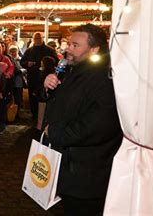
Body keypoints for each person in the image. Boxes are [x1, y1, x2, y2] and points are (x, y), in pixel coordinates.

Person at [43, 24, 123, 215]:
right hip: (69, 168)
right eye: (69, 44)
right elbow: (62, 105)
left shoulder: (104, 78)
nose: (68, 48)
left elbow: (100, 125)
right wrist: (48, 87)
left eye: (75, 45)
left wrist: (54, 132)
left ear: (94, 49)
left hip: (87, 175)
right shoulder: (73, 70)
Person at [20, 32, 58, 120]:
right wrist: (27, 64)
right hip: (32, 77)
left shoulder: (50, 50)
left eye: (38, 38)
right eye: (35, 38)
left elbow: (56, 61)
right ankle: (34, 115)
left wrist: (46, 64)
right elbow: (22, 62)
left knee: (45, 97)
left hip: (45, 78)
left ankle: (45, 116)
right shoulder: (29, 50)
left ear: (42, 38)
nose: (37, 40)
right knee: (32, 96)